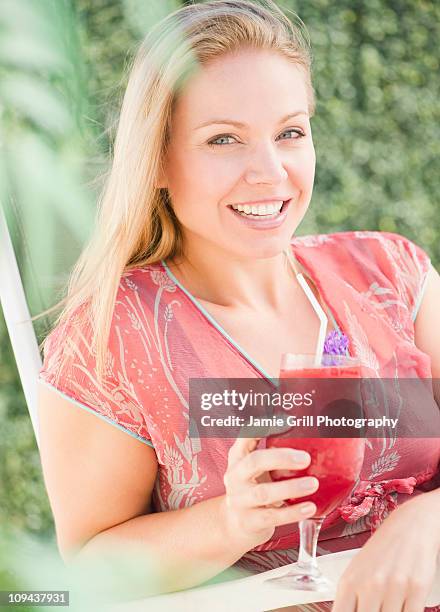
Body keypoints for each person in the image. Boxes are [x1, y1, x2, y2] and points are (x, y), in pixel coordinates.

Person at [36, 0, 440, 609]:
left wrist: (427, 519)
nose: (270, 171)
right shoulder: (114, 336)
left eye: (290, 132)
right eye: (223, 139)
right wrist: (231, 522)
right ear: (159, 162)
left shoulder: (391, 276)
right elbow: (91, 566)